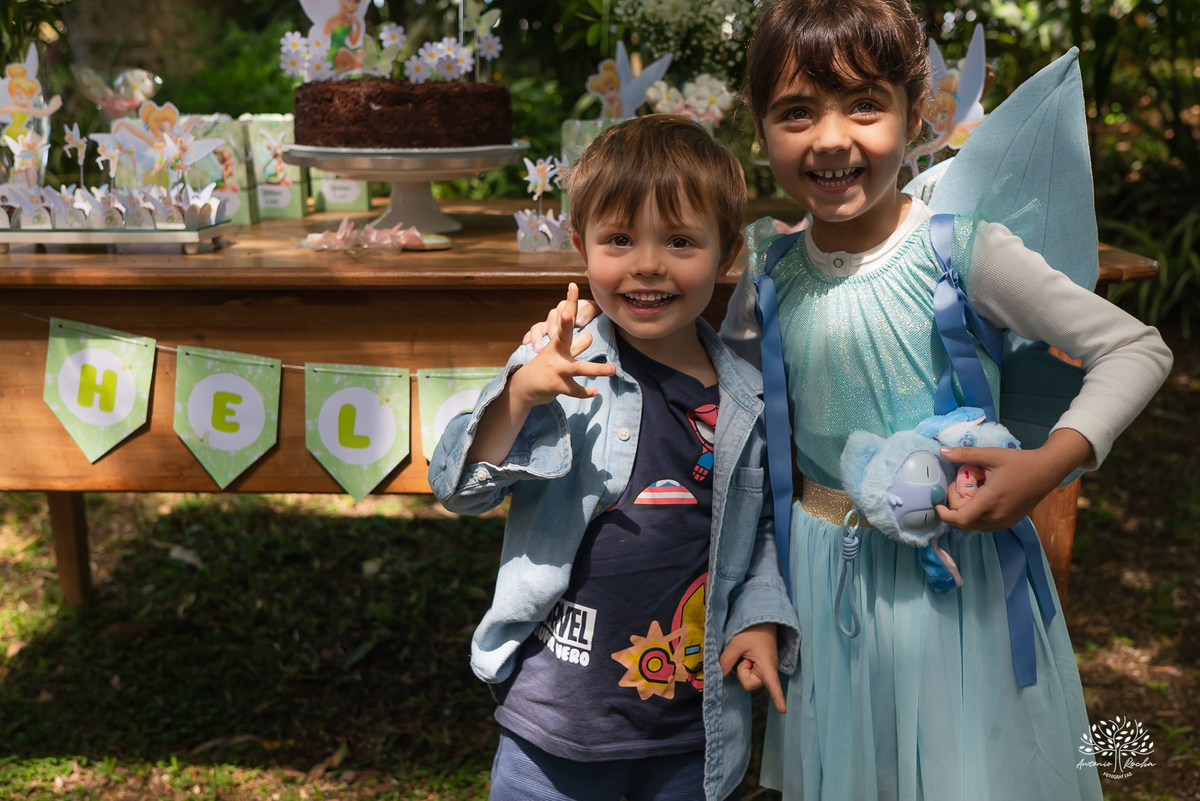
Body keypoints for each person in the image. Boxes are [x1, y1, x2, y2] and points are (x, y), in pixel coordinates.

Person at [524, 2, 1173, 798]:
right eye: (797, 112)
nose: (832, 137)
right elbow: (722, 418)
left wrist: (1048, 466)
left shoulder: (962, 253)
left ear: (916, 112)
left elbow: (1137, 347)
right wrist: (579, 340)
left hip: (953, 589)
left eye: (864, 103)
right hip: (822, 589)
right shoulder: (767, 269)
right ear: (760, 131)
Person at [429, 114, 800, 801]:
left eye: (681, 241)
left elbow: (764, 531)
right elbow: (459, 487)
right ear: (582, 245)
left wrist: (759, 617)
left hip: (690, 731)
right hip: (555, 722)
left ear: (728, 259)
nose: (648, 264)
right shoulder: (557, 366)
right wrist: (520, 396)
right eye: (620, 239)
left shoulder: (746, 398)